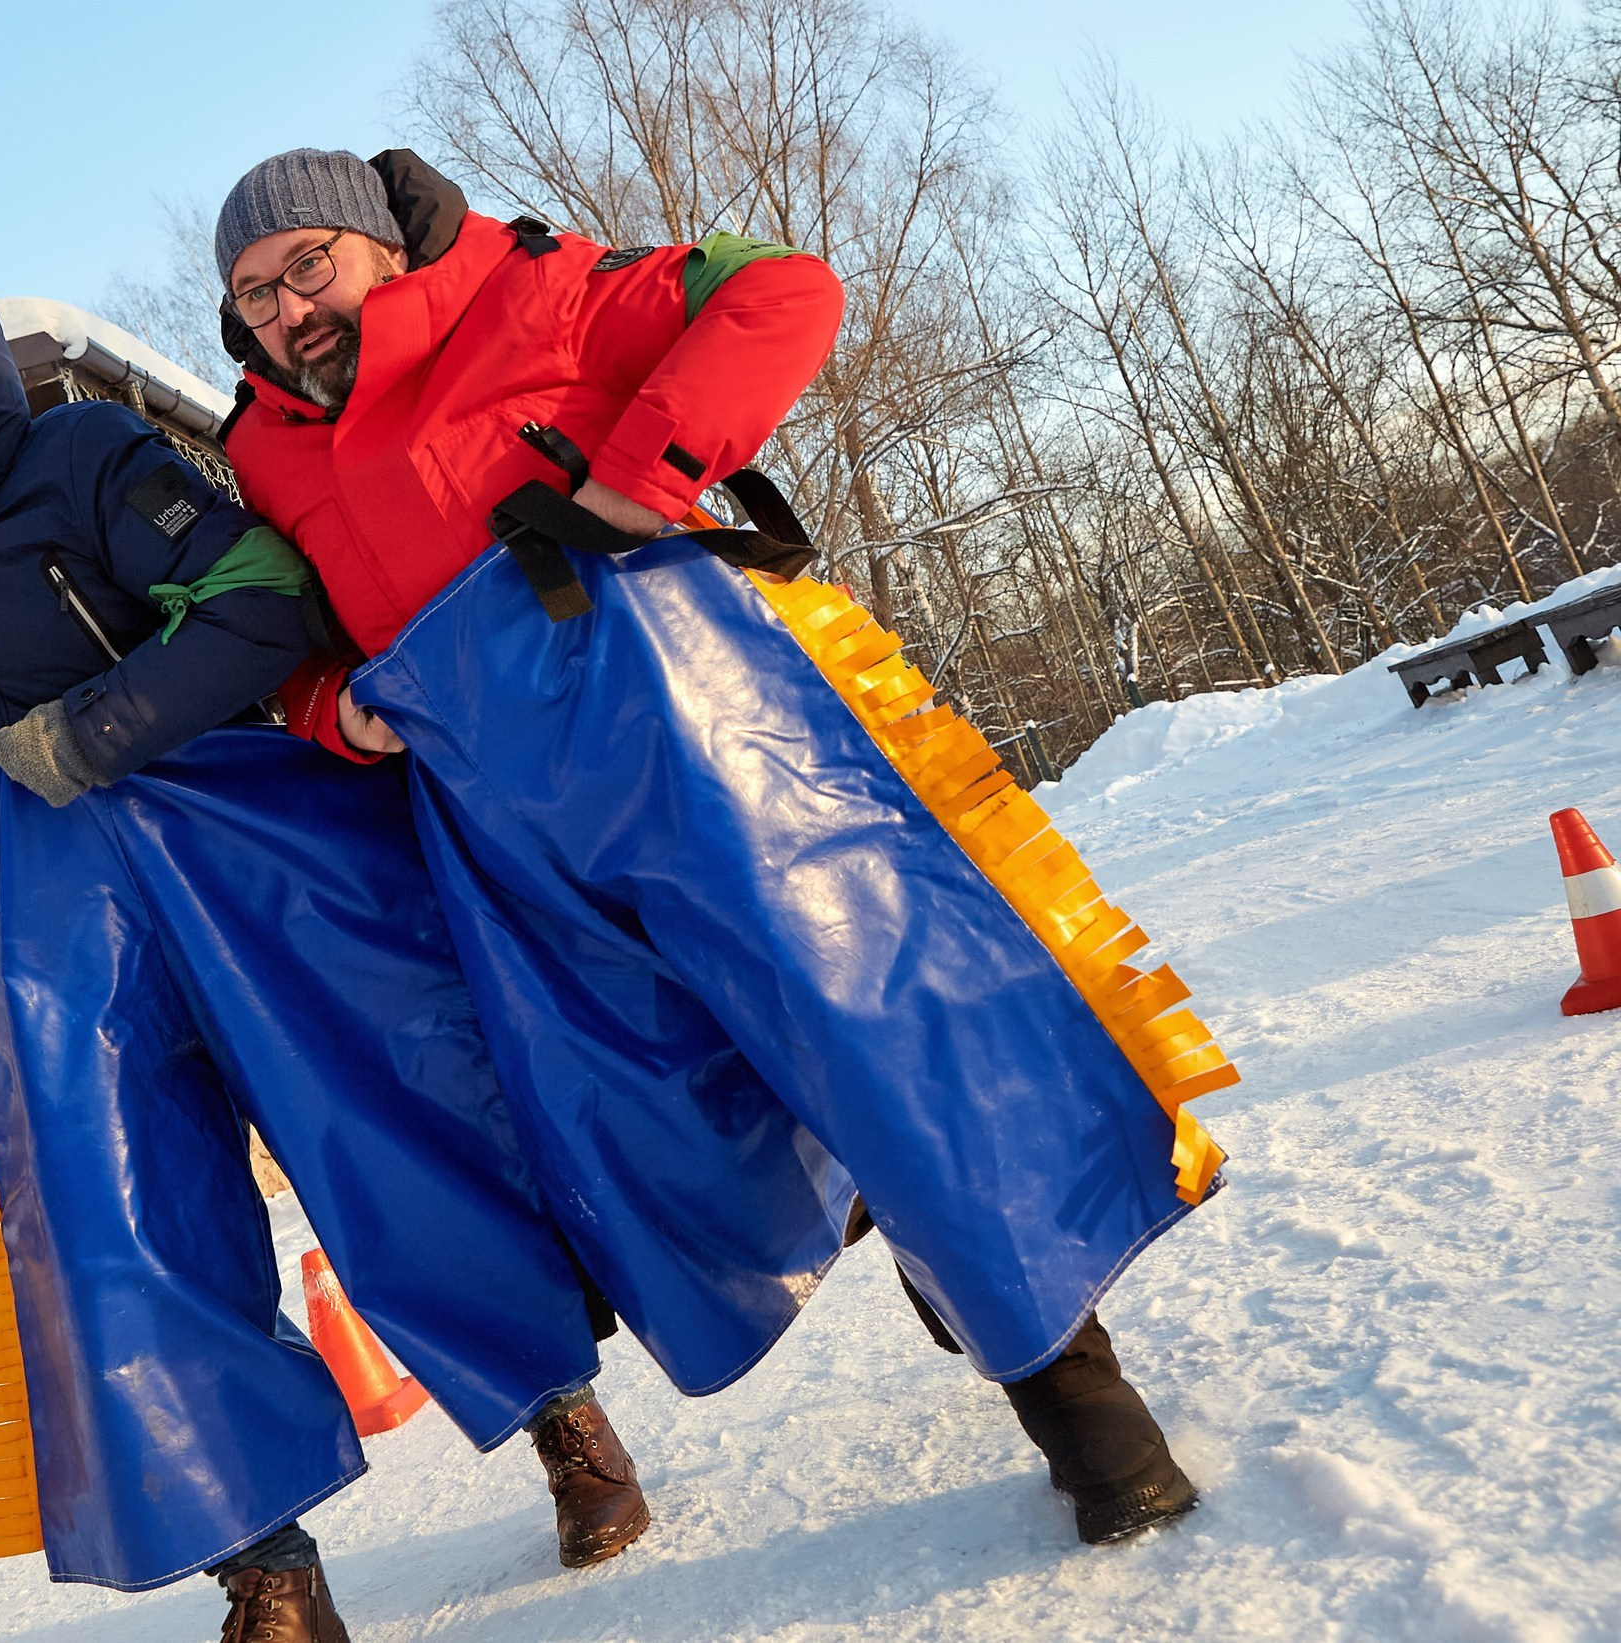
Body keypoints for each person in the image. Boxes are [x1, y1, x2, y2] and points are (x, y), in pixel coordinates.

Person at [0, 239, 646, 1642]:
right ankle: (263, 1564)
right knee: (121, 1209)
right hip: (38, 888)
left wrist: (98, 729)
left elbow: (263, 593)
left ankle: (561, 1418)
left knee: (387, 1125)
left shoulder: (83, 457)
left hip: (229, 831)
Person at [210, 148, 1227, 1547]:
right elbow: (278, 635)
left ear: (382, 245)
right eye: (254, 295)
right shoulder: (260, 449)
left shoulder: (532, 291)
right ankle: (888, 1213)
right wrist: (336, 711)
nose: (284, 312)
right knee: (631, 1103)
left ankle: (1073, 1393)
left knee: (868, 1039)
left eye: (305, 265)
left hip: (698, 746)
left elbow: (781, 291)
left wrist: (644, 476)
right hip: (506, 831)